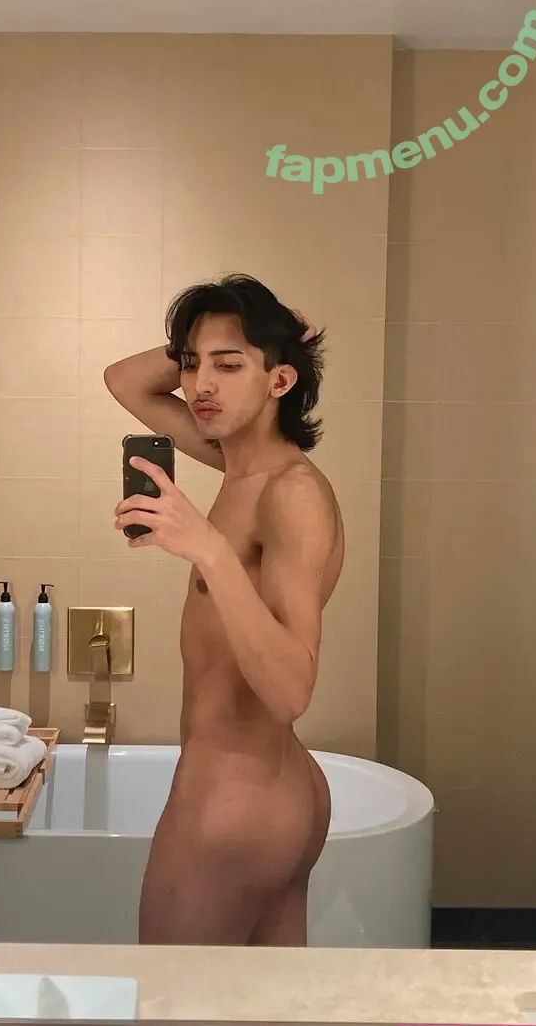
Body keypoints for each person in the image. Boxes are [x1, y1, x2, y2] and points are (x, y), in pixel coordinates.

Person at [103, 272, 344, 947]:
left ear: (280, 380)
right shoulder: (238, 466)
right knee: (264, 1000)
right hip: (273, 791)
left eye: (229, 365)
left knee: (169, 996)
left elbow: (291, 690)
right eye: (191, 365)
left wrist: (209, 549)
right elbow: (124, 379)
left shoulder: (292, 494)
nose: (199, 385)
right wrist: (268, 326)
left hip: (233, 805)